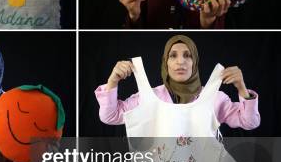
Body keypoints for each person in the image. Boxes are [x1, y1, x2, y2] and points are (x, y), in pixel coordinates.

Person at [95, 34, 260, 130]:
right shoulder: (149, 97)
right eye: (173, 56)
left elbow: (250, 122)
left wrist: (241, 88)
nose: (180, 62)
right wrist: (112, 82)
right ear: (165, 62)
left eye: (187, 55)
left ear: (195, 62)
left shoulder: (215, 98)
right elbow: (110, 116)